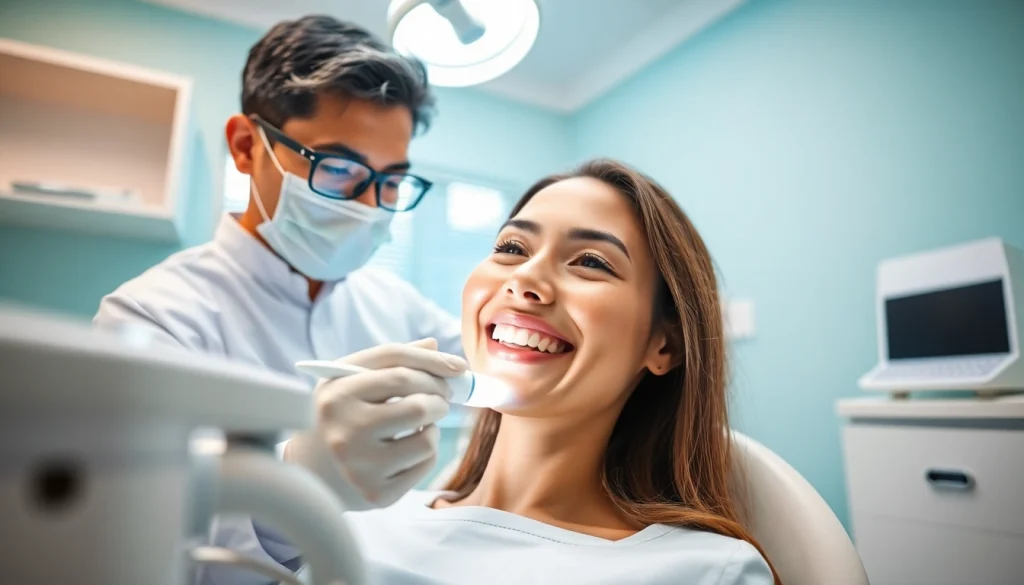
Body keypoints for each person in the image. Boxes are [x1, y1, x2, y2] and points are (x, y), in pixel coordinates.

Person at [275, 159, 777, 585]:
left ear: (663, 344)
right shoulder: (353, 522)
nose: (525, 280)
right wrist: (290, 486)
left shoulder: (705, 572)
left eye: (590, 262)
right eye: (511, 248)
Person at [94, 15, 464, 527]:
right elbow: (128, 537)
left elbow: (501, 375)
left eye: (391, 182)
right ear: (247, 146)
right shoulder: (151, 319)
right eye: (336, 169)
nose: (368, 205)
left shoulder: (395, 304)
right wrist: (290, 487)